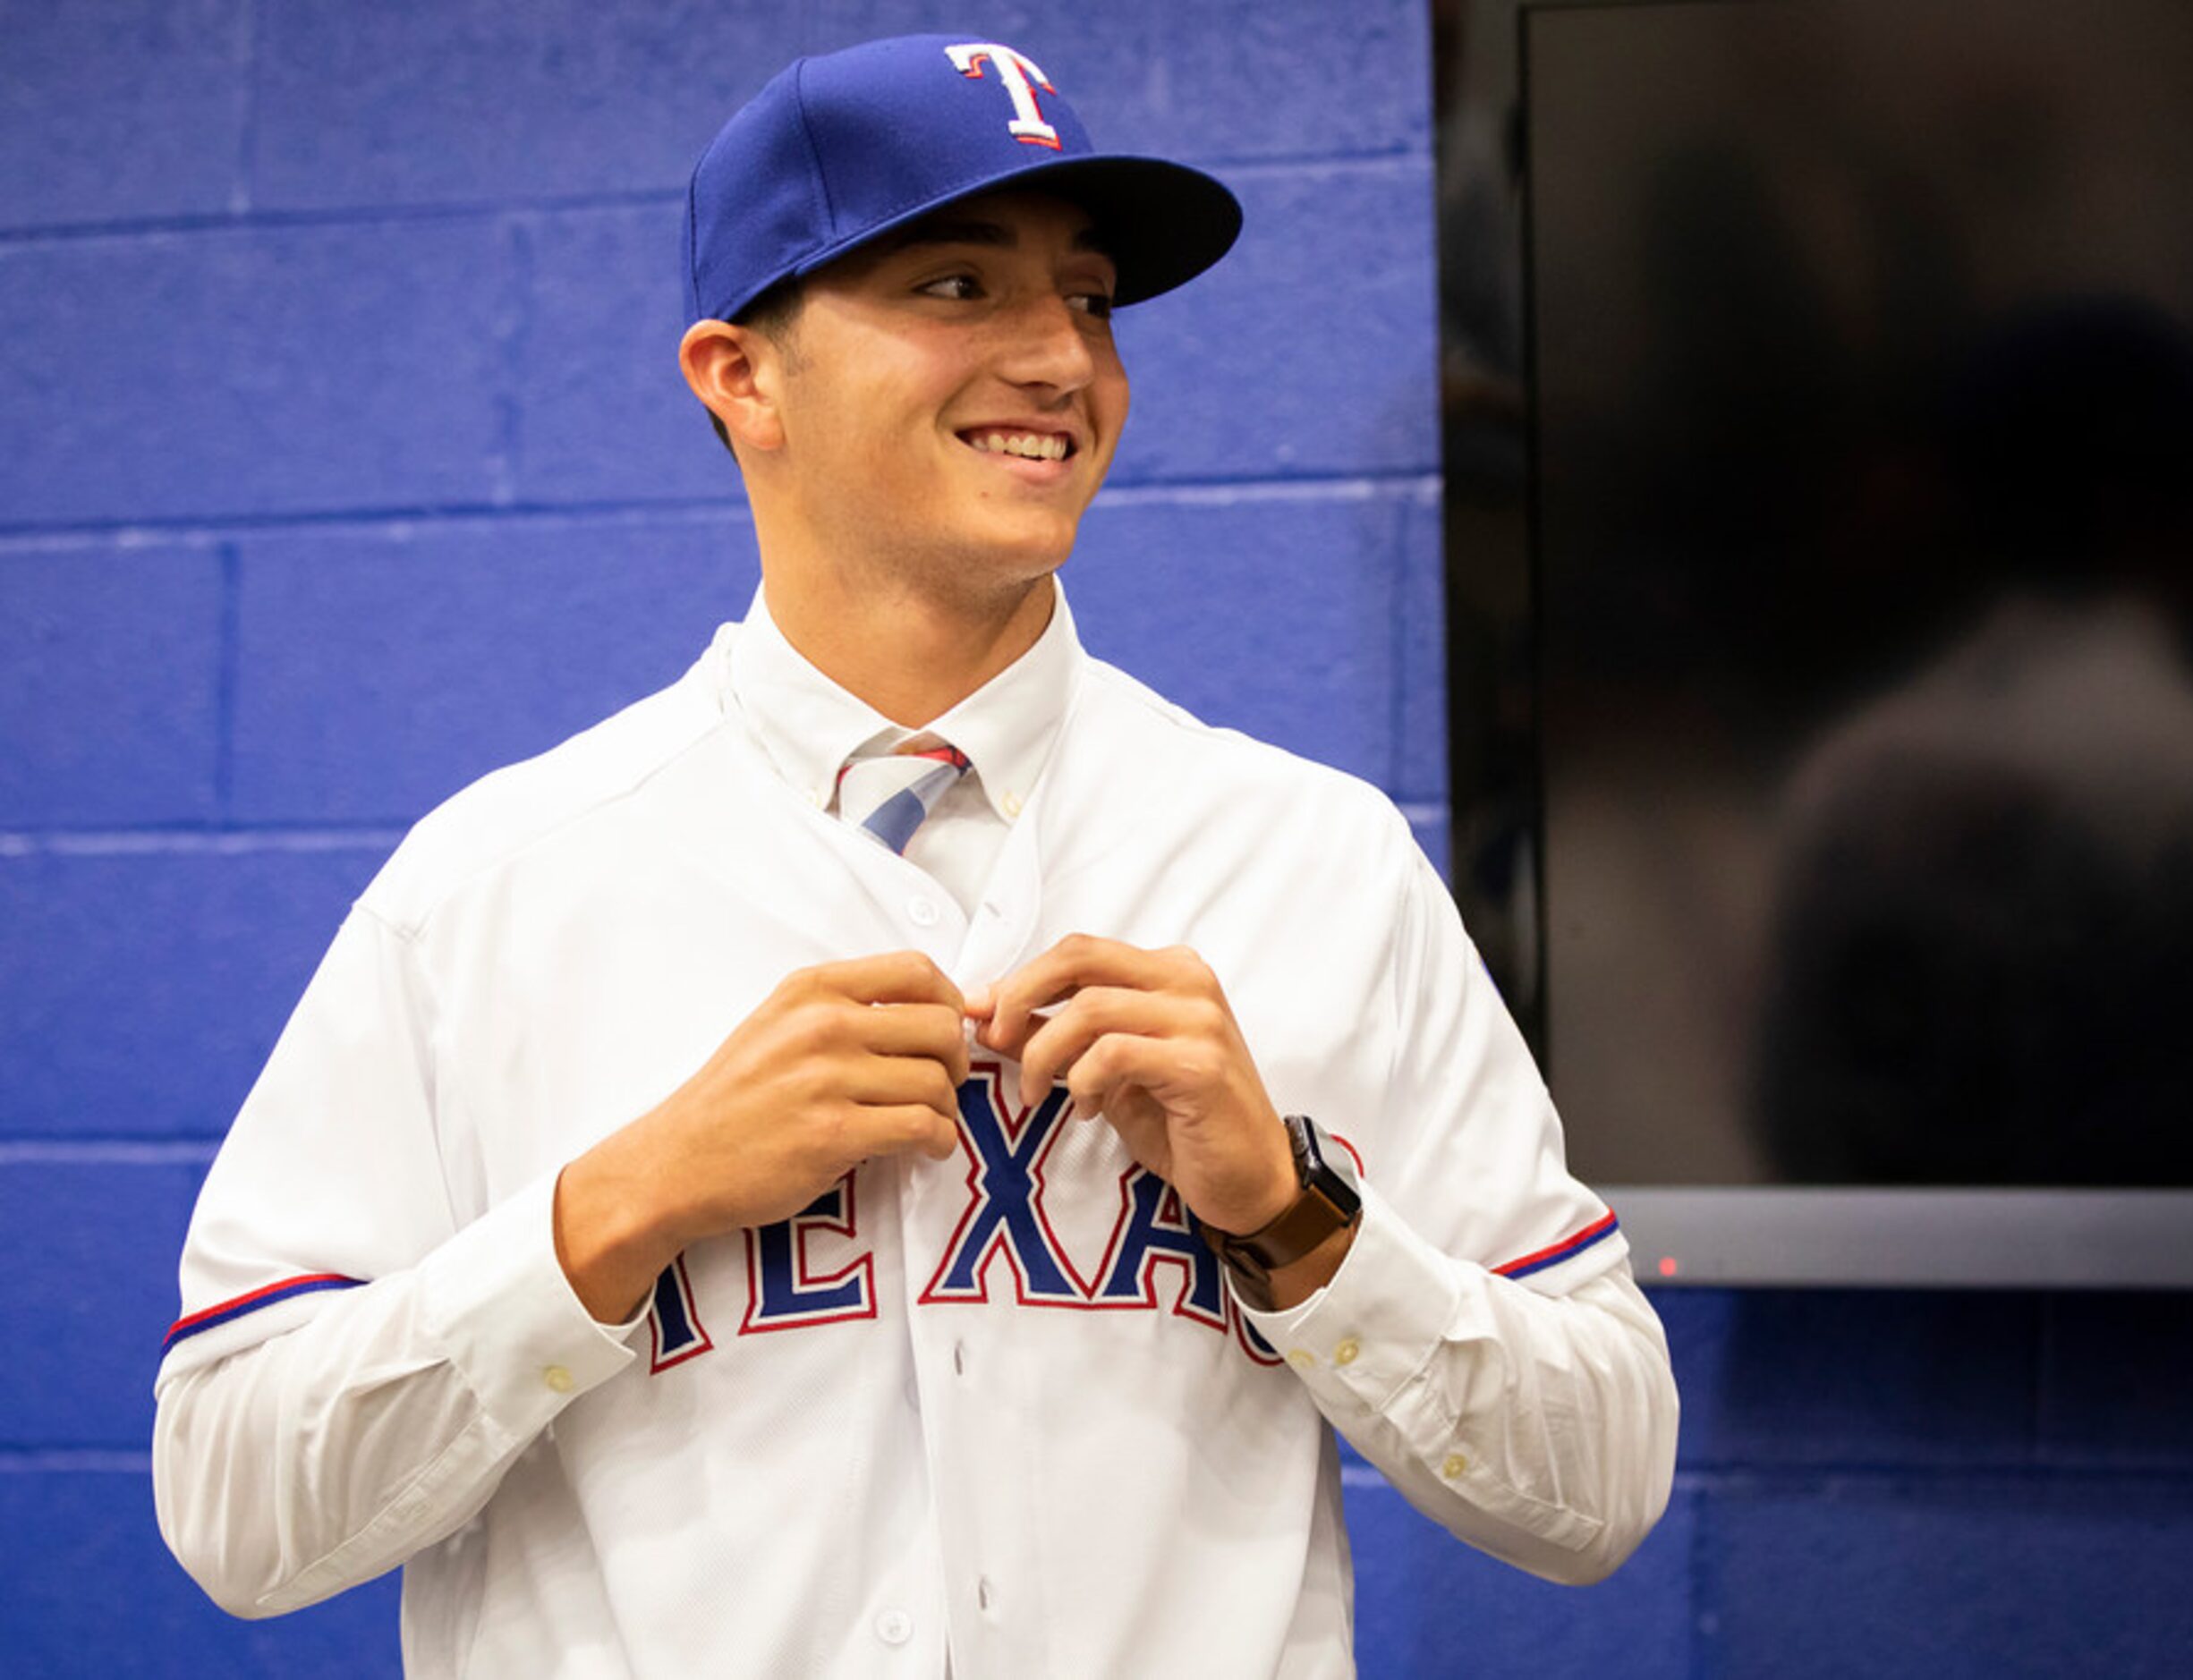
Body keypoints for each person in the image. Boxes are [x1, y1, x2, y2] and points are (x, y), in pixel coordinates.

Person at [153, 34, 1678, 1677]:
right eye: (957, 284)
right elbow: (236, 1501)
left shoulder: (1311, 855)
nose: (1059, 360)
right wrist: (621, 1204)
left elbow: (1599, 1484)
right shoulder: (499, 884)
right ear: (741, 375)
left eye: (1088, 299)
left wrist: (1294, 1217)